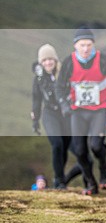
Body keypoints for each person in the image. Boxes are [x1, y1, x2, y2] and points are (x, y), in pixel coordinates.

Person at [56, 26, 106, 195]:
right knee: (79, 151)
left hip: (98, 111)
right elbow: (59, 87)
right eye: (82, 45)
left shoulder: (103, 60)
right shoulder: (68, 62)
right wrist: (65, 105)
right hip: (78, 112)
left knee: (96, 146)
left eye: (88, 45)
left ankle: (104, 169)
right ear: (75, 46)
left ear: (93, 44)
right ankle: (91, 184)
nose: (86, 49)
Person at [31, 43, 85, 189]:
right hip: (50, 114)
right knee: (57, 144)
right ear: (41, 62)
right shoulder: (39, 79)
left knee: (76, 150)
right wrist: (35, 120)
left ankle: (62, 182)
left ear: (55, 60)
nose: (48, 63)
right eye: (44, 60)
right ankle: (59, 180)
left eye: (50, 59)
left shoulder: (65, 73)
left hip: (67, 114)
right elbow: (36, 99)